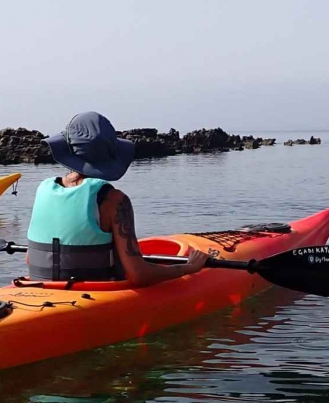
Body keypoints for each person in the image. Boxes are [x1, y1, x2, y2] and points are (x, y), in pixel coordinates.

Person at [25, 112, 209, 286]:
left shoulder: (44, 189)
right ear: (109, 155)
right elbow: (139, 275)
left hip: (40, 287)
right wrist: (187, 268)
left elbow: (29, 258)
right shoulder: (114, 201)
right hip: (92, 295)